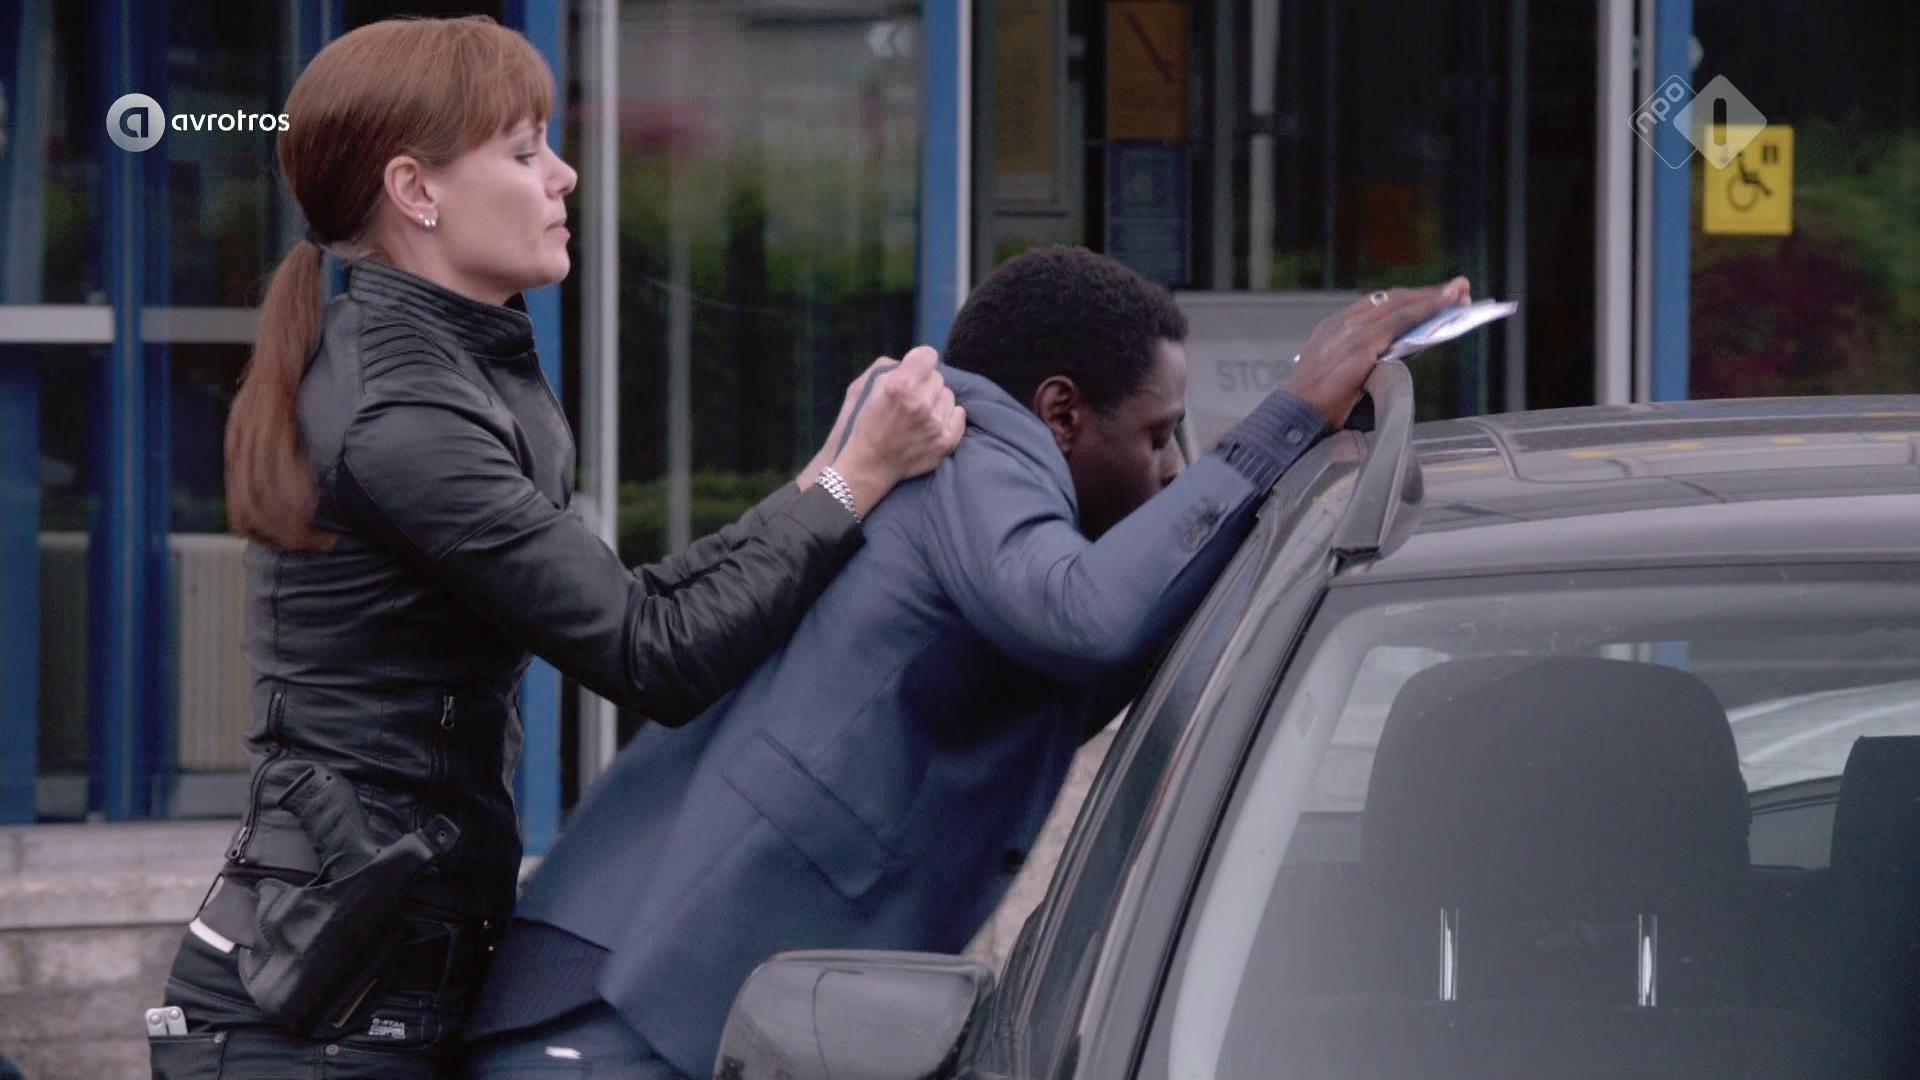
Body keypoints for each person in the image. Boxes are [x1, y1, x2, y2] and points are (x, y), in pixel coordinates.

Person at [150, 16, 964, 1080]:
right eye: (526, 150)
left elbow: (636, 599)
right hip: (309, 1022)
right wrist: (857, 480)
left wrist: (830, 482)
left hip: (362, 990)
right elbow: (652, 649)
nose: (565, 175)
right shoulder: (405, 416)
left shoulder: (444, 372)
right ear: (415, 190)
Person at [461, 247, 1472, 1077]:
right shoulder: (980, 448)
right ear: (1061, 413)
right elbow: (1087, 617)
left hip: (688, 1013)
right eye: (1161, 437)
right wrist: (1280, 421)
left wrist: (1291, 460)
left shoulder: (1010, 511)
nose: (1176, 469)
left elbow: (1113, 644)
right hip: (622, 1012)